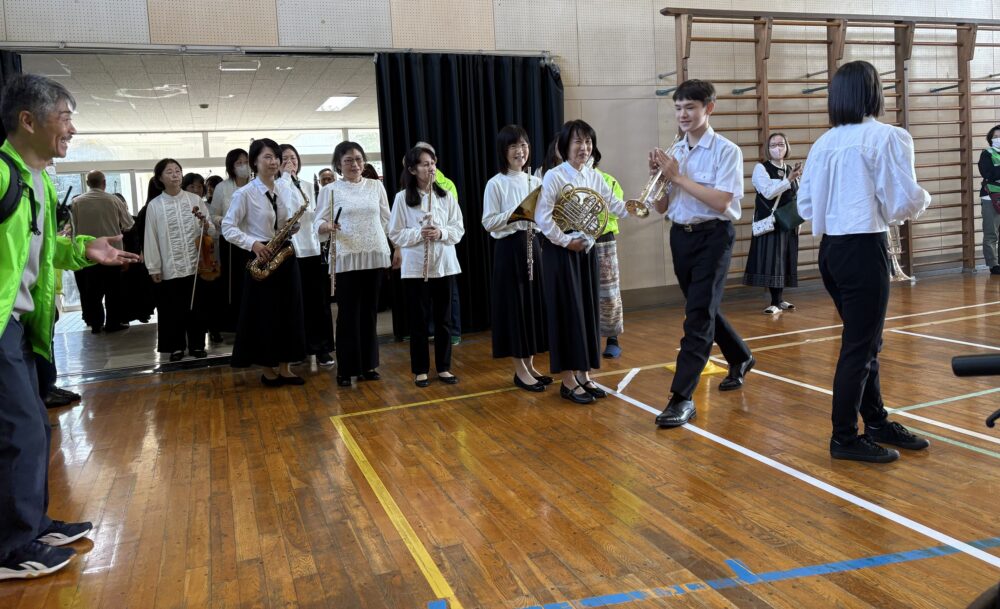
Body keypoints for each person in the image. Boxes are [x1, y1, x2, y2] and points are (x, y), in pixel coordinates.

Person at [0, 73, 140, 580]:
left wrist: (86, 250)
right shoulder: (1, 173)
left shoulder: (36, 180)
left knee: (33, 427)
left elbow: (41, 250)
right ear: (28, 120)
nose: (72, 129)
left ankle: (29, 524)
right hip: (0, 327)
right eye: (65, 117)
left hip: (18, 326)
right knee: (19, 430)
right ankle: (10, 549)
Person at [798, 60, 932, 463]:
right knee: (860, 346)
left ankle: (875, 420)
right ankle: (844, 437)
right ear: (874, 93)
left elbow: (806, 205)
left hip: (831, 252)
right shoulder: (886, 137)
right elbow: (902, 201)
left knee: (866, 341)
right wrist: (924, 200)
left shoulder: (823, 143)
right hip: (862, 248)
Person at [650, 79, 754, 428]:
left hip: (713, 237)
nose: (683, 114)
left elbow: (723, 201)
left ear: (708, 108)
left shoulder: (727, 151)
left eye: (690, 107)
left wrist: (677, 178)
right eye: (678, 107)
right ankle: (740, 356)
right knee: (702, 307)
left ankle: (681, 398)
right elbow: (662, 206)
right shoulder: (675, 151)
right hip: (681, 237)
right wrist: (657, 181)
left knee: (697, 316)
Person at [536, 120, 633, 404]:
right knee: (568, 314)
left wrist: (643, 202)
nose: (584, 147)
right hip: (562, 251)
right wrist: (567, 241)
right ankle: (568, 381)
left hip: (585, 251)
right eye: (578, 141)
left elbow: (615, 206)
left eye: (588, 141)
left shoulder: (593, 176)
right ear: (565, 146)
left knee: (587, 313)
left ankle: (585, 375)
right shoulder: (554, 176)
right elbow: (543, 218)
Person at [222, 138, 307, 386]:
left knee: (289, 313)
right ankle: (268, 369)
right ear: (254, 162)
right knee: (265, 316)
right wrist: (253, 244)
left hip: (285, 255)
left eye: (276, 157)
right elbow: (228, 227)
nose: (274, 162)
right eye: (267, 157)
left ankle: (285, 367)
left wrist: (293, 226)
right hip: (262, 257)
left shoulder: (284, 189)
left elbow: (287, 221)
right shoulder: (244, 193)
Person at [388, 144, 464, 387]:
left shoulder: (446, 195)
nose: (430, 168)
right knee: (418, 321)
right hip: (414, 268)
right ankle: (420, 369)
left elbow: (458, 229)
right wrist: (419, 234)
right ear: (412, 169)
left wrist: (440, 232)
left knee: (443, 320)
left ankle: (443, 367)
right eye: (424, 164)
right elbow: (395, 233)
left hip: (443, 265)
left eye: (432, 163)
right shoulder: (402, 198)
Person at [481, 125, 551, 392]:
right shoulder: (496, 183)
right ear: (504, 151)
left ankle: (530, 365)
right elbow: (488, 222)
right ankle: (520, 371)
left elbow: (543, 219)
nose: (520, 151)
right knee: (516, 308)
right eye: (513, 147)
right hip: (509, 249)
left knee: (532, 306)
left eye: (523, 145)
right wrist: (517, 214)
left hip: (533, 245)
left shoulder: (535, 181)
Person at [316, 141, 391, 386]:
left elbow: (386, 219)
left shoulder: (376, 186)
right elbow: (318, 223)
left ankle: (368, 365)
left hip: (374, 254)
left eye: (359, 159)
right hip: (346, 257)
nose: (355, 164)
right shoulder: (330, 190)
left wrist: (397, 247)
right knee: (347, 315)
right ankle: (346, 369)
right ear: (338, 164)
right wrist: (327, 226)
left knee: (369, 312)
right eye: (348, 160)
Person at [144, 158, 215, 362]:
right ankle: (175, 346)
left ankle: (197, 345)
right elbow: (151, 237)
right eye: (169, 172)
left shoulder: (194, 200)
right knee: (172, 309)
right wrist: (154, 267)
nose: (175, 175)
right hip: (169, 266)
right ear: (160, 178)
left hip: (196, 264)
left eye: (178, 171)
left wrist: (205, 224)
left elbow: (210, 229)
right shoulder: (155, 205)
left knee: (197, 307)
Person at [743, 132, 803, 314]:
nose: (778, 148)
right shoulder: (761, 169)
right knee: (772, 260)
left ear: (787, 146)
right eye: (773, 145)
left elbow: (796, 196)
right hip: (771, 221)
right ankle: (774, 302)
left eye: (781, 144)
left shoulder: (790, 168)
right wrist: (789, 179)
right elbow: (768, 192)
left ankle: (781, 299)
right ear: (768, 149)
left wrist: (799, 221)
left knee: (785, 259)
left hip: (788, 221)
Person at [69, 170, 134, 333]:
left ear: (88, 183)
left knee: (92, 291)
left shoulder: (77, 202)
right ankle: (113, 323)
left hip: (88, 253)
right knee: (114, 290)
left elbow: (74, 229)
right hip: (112, 253)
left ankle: (96, 323)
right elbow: (129, 224)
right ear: (104, 182)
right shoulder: (113, 200)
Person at [211, 148, 251, 331]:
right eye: (239, 163)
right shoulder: (222, 187)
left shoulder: (257, 184)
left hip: (255, 240)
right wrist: (225, 221)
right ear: (231, 167)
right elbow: (214, 215)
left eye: (246, 162)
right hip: (232, 241)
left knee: (254, 280)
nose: (243, 166)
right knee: (234, 283)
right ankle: (235, 322)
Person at [591, 157, 625, 358]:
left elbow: (616, 212)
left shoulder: (608, 180)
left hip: (604, 239)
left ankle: (613, 339)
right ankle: (588, 339)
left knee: (609, 293)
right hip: (577, 241)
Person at [977, 124, 1000, 275]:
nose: (998, 139)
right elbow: (988, 173)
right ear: (991, 139)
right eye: (996, 137)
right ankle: (993, 264)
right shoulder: (987, 154)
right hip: (991, 197)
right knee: (991, 232)